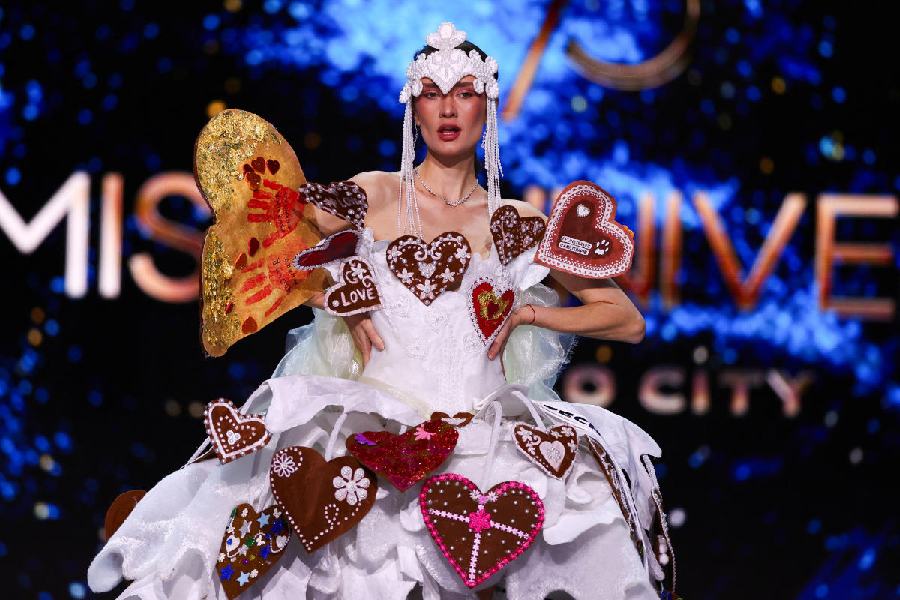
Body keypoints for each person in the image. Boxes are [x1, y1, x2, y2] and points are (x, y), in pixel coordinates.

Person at [88, 22, 676, 600]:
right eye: (432, 93)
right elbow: (267, 235)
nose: (448, 109)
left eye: (464, 92)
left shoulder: (516, 221)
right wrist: (334, 295)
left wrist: (529, 315)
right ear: (413, 107)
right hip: (370, 435)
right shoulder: (374, 193)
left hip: (481, 443)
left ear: (488, 106)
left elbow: (625, 318)